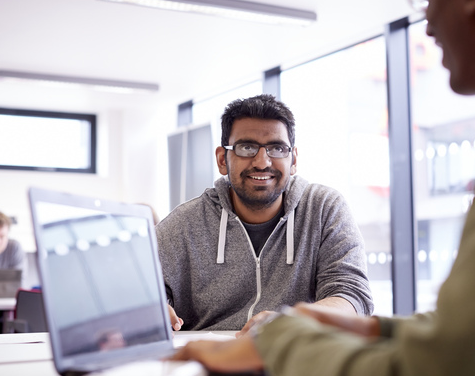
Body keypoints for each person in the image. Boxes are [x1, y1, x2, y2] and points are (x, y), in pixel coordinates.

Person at [170, 0, 475, 376]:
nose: (428, 24)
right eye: (247, 147)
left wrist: (278, 339)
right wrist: (366, 328)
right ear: (223, 157)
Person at [156, 94, 373, 333]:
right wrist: (154, 309)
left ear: (293, 160)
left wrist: (293, 320)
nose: (262, 162)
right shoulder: (185, 224)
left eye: (277, 148)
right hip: (208, 359)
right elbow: (142, 291)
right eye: (246, 147)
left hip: (293, 355)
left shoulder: (323, 209)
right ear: (222, 159)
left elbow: (351, 295)